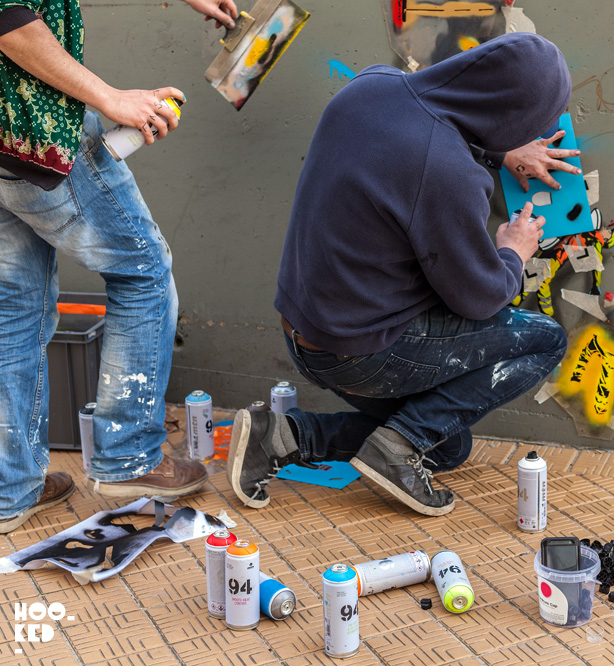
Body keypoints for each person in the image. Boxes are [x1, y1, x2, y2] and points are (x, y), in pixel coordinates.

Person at [227, 33, 576, 516]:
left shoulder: (372, 84)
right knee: (547, 339)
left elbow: (413, 144)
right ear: (506, 115)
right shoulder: (449, 174)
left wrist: (501, 150)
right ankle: (397, 444)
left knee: (448, 447)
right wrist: (511, 252)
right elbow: (480, 297)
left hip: (303, 331)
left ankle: (287, 434)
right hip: (359, 354)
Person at [0, 0, 239, 533]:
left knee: (14, 308)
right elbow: (10, 22)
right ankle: (129, 458)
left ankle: (10, 487)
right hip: (41, 135)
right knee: (144, 275)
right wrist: (110, 97)